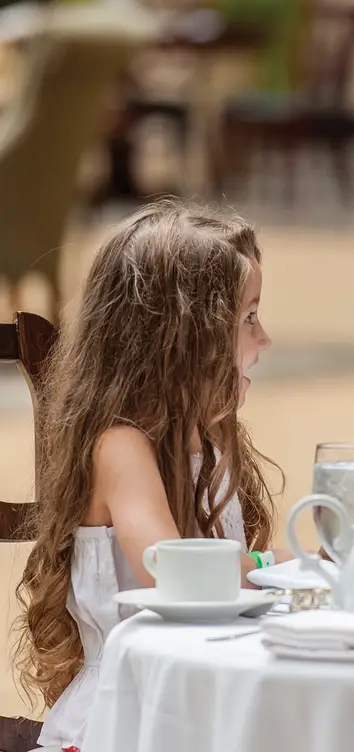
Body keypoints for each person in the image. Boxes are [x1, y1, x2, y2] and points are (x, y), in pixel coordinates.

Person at [14, 201, 293, 752]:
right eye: (248, 318)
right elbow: (175, 571)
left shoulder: (208, 442)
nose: (263, 341)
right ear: (180, 338)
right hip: (127, 719)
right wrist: (280, 566)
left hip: (191, 706)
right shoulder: (121, 448)